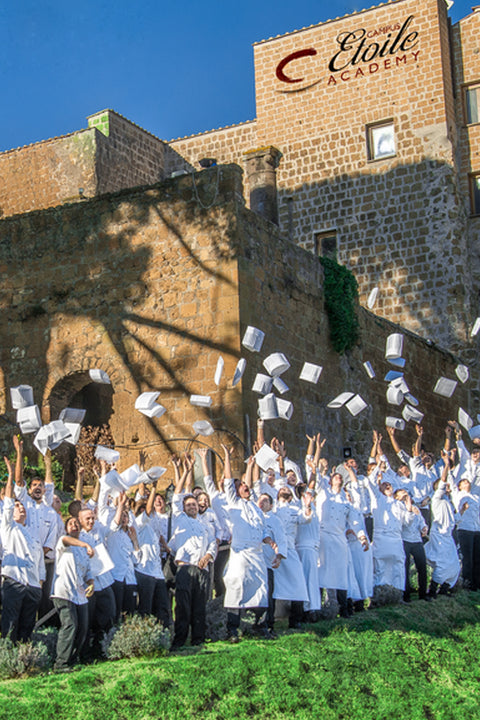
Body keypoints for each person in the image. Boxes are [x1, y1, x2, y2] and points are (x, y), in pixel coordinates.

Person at [222, 445, 278, 641]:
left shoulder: (255, 508)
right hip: (240, 553)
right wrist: (227, 457)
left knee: (262, 589)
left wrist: (270, 541)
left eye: (246, 486)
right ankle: (232, 630)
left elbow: (262, 530)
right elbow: (229, 482)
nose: (245, 487)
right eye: (241, 486)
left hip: (257, 553)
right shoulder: (233, 504)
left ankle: (260, 627)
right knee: (236, 587)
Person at [0, 454, 43, 642]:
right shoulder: (8, 527)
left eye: (23, 506)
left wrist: (40, 583)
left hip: (32, 586)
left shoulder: (32, 534)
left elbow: (40, 560)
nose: (21, 508)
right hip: (14, 581)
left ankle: (26, 658)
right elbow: (8, 502)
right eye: (18, 506)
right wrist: (10, 475)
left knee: (27, 625)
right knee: (10, 624)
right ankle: (8, 659)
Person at [51, 517, 94, 672]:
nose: (74, 525)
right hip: (63, 591)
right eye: (71, 524)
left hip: (80, 594)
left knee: (82, 628)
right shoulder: (63, 542)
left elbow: (88, 572)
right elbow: (67, 540)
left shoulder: (83, 550)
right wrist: (86, 544)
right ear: (66, 528)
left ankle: (72, 660)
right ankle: (61, 664)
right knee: (70, 625)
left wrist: (91, 583)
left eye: (77, 524)